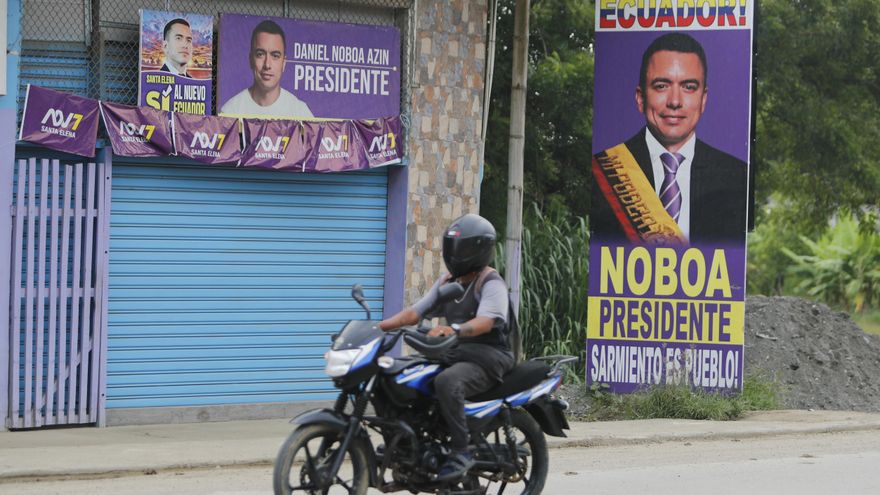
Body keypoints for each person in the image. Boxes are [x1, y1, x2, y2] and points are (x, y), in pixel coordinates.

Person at [379, 214, 514, 482]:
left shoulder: (490, 282)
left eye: (462, 248)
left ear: (477, 249)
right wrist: (377, 327)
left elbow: (486, 322)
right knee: (403, 375)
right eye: (453, 247)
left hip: (489, 358)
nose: (456, 254)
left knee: (447, 381)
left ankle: (461, 452)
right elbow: (415, 313)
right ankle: (411, 443)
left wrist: (455, 329)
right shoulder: (448, 281)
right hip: (457, 353)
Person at [591, 32, 747, 245]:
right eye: (661, 86)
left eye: (689, 87)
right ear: (640, 98)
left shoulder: (737, 177)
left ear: (703, 100)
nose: (675, 101)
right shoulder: (604, 171)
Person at [219, 20, 314, 119]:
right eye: (260, 54)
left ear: (284, 63)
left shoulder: (300, 113)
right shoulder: (231, 112)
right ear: (251, 59)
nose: (267, 64)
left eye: (275, 56)